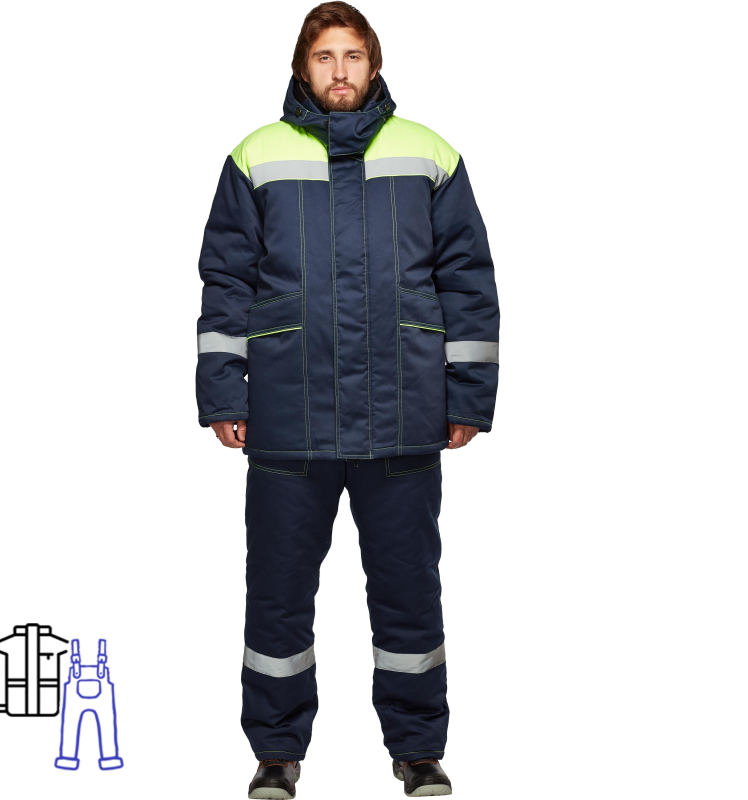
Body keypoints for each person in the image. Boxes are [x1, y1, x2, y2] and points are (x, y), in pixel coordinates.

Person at [195, 3, 500, 797]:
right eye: (324, 57)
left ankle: (418, 749)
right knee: (278, 598)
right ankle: (276, 753)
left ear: (374, 64)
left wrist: (468, 396)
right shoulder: (255, 156)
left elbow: (468, 278)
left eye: (353, 56)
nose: (339, 71)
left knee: (408, 595)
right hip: (286, 419)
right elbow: (226, 281)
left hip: (404, 415)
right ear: (303, 67)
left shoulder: (429, 153)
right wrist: (223, 390)